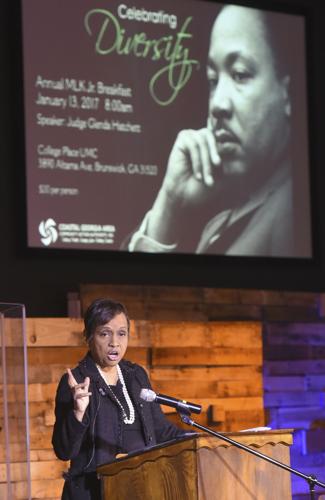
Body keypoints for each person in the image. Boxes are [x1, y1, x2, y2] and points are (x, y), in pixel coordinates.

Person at [128, 5, 302, 257]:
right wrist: (171, 199)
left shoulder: (291, 211)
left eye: (240, 75)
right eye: (213, 80)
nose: (218, 104)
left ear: (288, 93)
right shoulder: (226, 219)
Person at [52, 298, 186, 499]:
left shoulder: (136, 375)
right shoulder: (76, 382)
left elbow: (160, 429)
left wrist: (199, 439)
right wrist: (78, 413)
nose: (114, 342)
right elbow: (64, 451)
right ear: (88, 336)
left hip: (140, 488)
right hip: (94, 492)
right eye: (104, 333)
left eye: (121, 334)